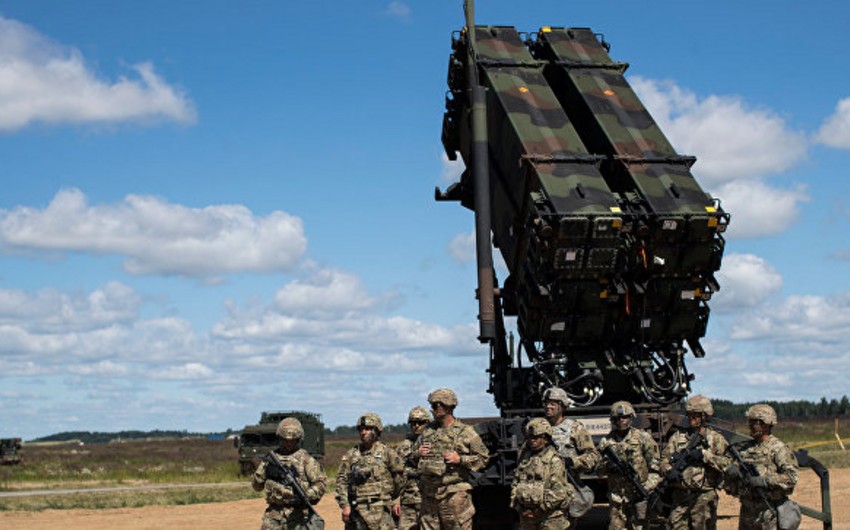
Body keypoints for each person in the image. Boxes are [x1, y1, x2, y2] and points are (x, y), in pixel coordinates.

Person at [413, 388, 490, 530]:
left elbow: (483, 459)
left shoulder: (466, 432)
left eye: (435, 405)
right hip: (429, 496)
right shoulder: (428, 432)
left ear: (447, 406)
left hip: (453, 496)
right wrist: (417, 454)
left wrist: (460, 460)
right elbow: (412, 458)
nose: (431, 409)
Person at [724, 404, 799, 530]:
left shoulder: (778, 448)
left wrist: (765, 481)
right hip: (747, 511)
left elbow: (791, 477)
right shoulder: (745, 449)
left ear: (765, 424)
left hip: (769, 512)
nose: (750, 425)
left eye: (754, 422)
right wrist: (732, 471)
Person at [660, 395, 730, 530]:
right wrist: (669, 470)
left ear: (705, 416)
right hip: (681, 497)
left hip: (704, 496)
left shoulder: (715, 439)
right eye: (689, 415)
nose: (691, 418)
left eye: (695, 415)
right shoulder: (677, 437)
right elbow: (663, 460)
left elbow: (728, 464)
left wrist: (705, 455)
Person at [252, 417, 327, 530]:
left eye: (292, 440)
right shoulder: (271, 459)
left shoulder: (306, 460)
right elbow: (256, 486)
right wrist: (266, 472)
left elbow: (321, 483)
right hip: (274, 517)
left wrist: (306, 495)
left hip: (299, 517)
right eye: (285, 440)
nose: (288, 443)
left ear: (298, 439)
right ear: (279, 438)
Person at [598, 401, 661, 530]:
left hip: (638, 496)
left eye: (625, 417)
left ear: (631, 418)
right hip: (617, 500)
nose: (621, 420)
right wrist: (608, 466)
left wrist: (645, 488)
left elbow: (656, 468)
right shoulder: (606, 442)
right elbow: (598, 470)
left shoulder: (643, 438)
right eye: (618, 418)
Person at [336, 413, 404, 530]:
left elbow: (400, 478)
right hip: (357, 512)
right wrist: (345, 505)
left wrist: (395, 501)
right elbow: (341, 482)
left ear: (377, 431)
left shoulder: (388, 453)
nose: (363, 432)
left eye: (367, 429)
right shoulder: (351, 455)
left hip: (382, 512)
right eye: (361, 429)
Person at [510, 418, 574, 530]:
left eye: (535, 438)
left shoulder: (554, 461)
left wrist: (539, 510)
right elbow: (515, 484)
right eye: (529, 438)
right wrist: (520, 509)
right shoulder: (525, 460)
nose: (531, 441)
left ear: (546, 439)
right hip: (527, 517)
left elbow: (559, 492)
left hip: (550, 517)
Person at [394, 406, 431, 530]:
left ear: (428, 423)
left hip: (429, 500)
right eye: (412, 422)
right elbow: (394, 475)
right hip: (408, 502)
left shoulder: (435, 443)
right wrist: (394, 501)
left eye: (420, 422)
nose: (416, 426)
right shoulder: (402, 447)